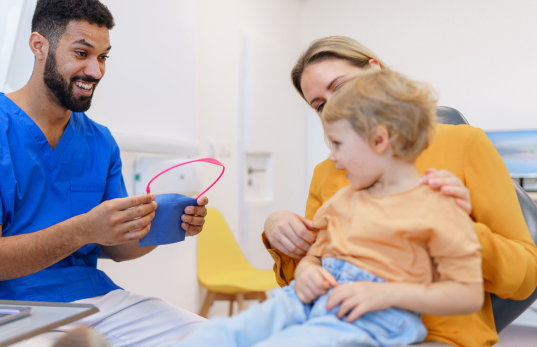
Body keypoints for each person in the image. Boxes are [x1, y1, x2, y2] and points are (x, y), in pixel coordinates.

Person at [0, 0, 207, 346]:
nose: (95, 71)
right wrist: (83, 229)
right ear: (39, 46)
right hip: (1, 306)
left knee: (215, 337)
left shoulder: (100, 141)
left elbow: (118, 248)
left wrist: (163, 226)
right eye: (82, 53)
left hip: (96, 302)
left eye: (104, 57)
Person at [176, 69, 484, 347]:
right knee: (220, 334)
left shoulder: (440, 206)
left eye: (337, 144)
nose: (332, 158)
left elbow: (468, 295)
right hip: (307, 300)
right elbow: (315, 257)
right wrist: (308, 272)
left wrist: (387, 294)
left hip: (373, 318)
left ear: (379, 140)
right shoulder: (343, 199)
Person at [262, 36, 537, 347]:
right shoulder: (328, 172)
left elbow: (525, 278)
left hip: (443, 337)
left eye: (341, 87)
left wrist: (459, 229)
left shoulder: (463, 144)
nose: (334, 106)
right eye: (321, 105)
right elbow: (311, 276)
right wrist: (278, 230)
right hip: (345, 330)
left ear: (375, 71)